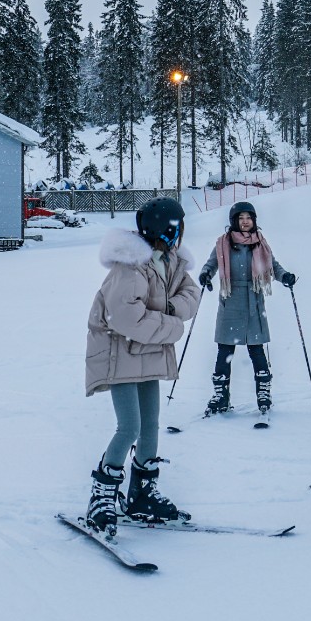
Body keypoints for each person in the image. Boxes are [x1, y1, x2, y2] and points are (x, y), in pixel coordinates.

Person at [83, 196, 203, 531]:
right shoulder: (130, 266)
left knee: (151, 426)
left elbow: (190, 296)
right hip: (119, 355)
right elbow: (125, 319)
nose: (181, 233)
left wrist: (168, 312)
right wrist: (173, 326)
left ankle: (141, 492)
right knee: (129, 427)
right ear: (165, 229)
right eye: (177, 227)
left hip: (147, 352)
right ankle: (102, 497)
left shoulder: (172, 262)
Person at [198, 201, 297, 415]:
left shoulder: (260, 243)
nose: (245, 222)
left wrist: (284, 276)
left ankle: (263, 393)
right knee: (225, 351)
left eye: (249, 218)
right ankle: (220, 396)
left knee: (257, 351)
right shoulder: (223, 243)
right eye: (241, 218)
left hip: (254, 302)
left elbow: (273, 266)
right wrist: (205, 274)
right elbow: (212, 264)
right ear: (234, 221)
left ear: (254, 221)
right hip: (231, 301)